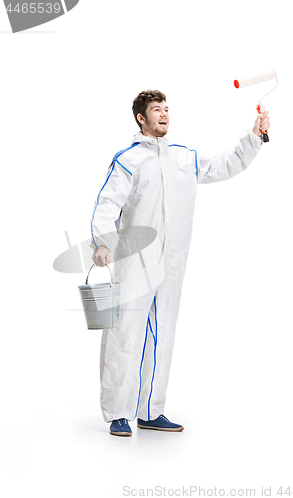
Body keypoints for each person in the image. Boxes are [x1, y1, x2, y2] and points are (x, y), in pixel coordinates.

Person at [91, 90, 270, 437]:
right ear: (141, 118)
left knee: (163, 334)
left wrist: (255, 137)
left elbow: (224, 164)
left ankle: (150, 410)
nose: (164, 114)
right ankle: (118, 412)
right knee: (126, 334)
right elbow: (107, 203)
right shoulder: (128, 160)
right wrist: (102, 241)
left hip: (173, 262)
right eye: (156, 109)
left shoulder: (183, 157)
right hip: (135, 262)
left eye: (167, 109)